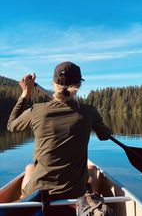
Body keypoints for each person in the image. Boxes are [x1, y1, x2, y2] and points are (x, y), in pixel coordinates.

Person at [7, 61, 111, 200]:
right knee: (92, 170)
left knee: (29, 168)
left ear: (54, 84)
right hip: (75, 194)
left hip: (39, 195)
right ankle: (90, 202)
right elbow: (104, 136)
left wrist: (25, 93)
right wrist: (100, 126)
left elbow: (11, 125)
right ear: (79, 85)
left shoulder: (37, 111)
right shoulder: (89, 112)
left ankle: (23, 199)